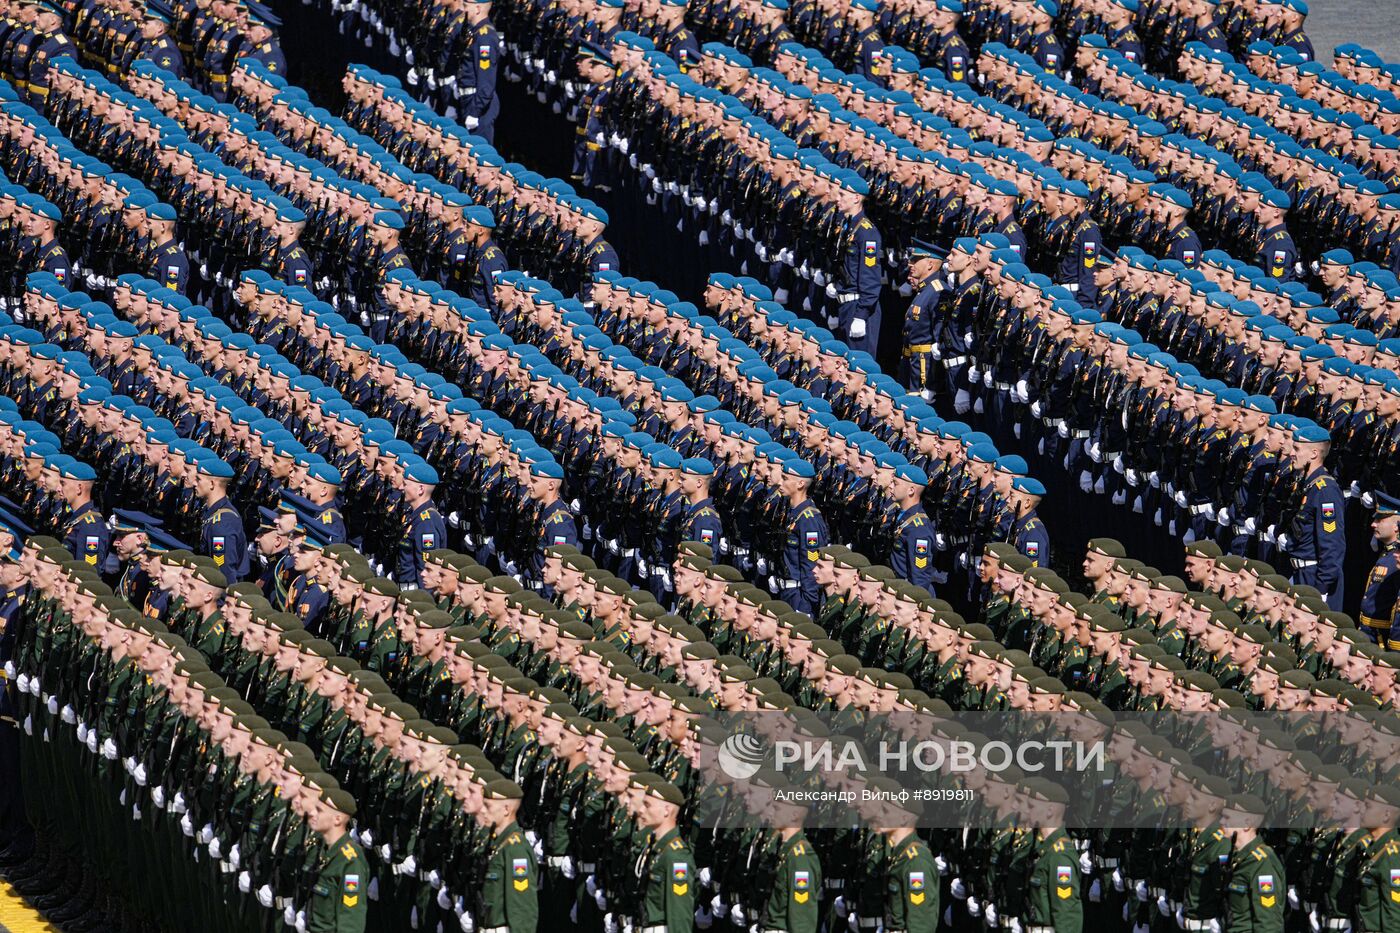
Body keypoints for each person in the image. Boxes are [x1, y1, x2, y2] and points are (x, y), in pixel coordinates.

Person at [477, 778, 539, 933]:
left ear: (506, 809)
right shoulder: (496, 843)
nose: (482, 810)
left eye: (488, 806)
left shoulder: (515, 849)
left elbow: (522, 909)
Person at [308, 788, 369, 932]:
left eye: (319, 810)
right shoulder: (325, 852)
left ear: (337, 819)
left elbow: (350, 921)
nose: (312, 813)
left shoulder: (350, 862)